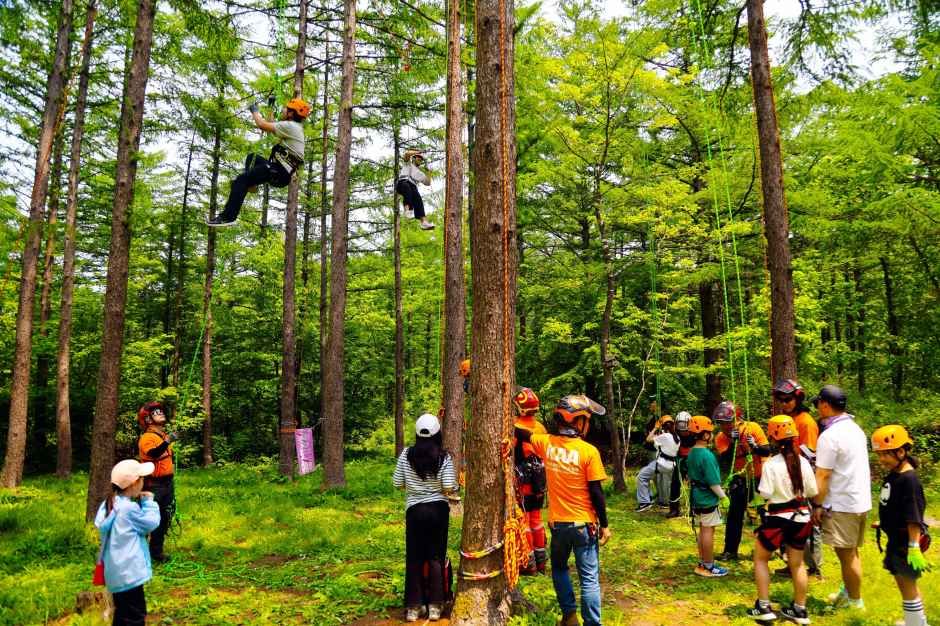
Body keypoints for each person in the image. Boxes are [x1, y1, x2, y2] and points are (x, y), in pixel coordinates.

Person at [515, 395, 610, 626]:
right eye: (586, 421)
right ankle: (592, 623)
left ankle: (569, 616)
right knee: (589, 579)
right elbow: (596, 493)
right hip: (584, 525)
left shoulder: (547, 444)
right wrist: (605, 525)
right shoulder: (588, 452)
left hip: (558, 526)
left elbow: (522, 433)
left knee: (559, 568)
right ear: (578, 422)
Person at [747, 415, 818, 625]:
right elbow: (812, 490)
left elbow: (766, 493)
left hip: (778, 519)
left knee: (760, 558)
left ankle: (764, 606)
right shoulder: (803, 462)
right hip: (802, 518)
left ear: (773, 438)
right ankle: (800, 610)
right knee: (797, 565)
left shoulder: (771, 464)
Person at [392, 413, 458, 622]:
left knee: (414, 558)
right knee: (436, 557)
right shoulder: (443, 457)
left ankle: (413, 607)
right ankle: (436, 607)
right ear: (438, 433)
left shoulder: (406, 454)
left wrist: (413, 487)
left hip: (414, 511)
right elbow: (449, 487)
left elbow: (397, 483)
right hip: (438, 511)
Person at [810, 384, 871, 611]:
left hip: (842, 503)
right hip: (859, 499)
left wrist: (817, 504)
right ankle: (848, 590)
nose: (817, 408)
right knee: (852, 551)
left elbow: (823, 474)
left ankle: (855, 602)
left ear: (825, 405)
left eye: (818, 404)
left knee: (847, 555)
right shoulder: (855, 429)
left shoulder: (830, 436)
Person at [207, 98, 309, 227]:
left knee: (241, 180)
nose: (283, 109)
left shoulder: (290, 127)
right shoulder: (292, 127)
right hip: (279, 171)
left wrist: (254, 111)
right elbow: (271, 124)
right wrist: (271, 107)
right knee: (252, 157)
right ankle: (252, 185)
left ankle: (228, 217)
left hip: (279, 172)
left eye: (286, 108)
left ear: (290, 114)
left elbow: (262, 124)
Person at [871, 425, 930, 626]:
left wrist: (914, 547)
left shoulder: (910, 480)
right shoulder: (896, 475)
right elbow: (896, 505)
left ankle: (916, 624)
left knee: (907, 585)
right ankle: (915, 621)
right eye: (879, 455)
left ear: (901, 451)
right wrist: (885, 521)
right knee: (904, 583)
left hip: (906, 543)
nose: (881, 460)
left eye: (885, 455)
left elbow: (914, 517)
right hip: (896, 539)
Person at [94, 459, 161, 626]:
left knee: (122, 614)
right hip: (130, 573)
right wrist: (149, 502)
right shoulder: (129, 509)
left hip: (116, 574)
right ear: (135, 483)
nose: (144, 482)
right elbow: (151, 523)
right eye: (142, 479)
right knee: (135, 616)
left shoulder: (108, 504)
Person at [772, 379, 823, 579]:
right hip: (787, 476)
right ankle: (792, 562)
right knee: (788, 521)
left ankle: (813, 567)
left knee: (807, 523)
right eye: (781, 400)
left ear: (798, 398)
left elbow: (809, 454)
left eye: (788, 399)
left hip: (803, 476)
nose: (785, 403)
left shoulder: (805, 422)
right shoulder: (786, 419)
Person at [713, 400, 771, 561]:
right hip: (741, 478)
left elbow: (767, 450)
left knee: (766, 514)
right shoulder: (721, 438)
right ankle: (730, 550)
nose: (725, 426)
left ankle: (775, 548)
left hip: (760, 477)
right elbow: (725, 460)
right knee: (734, 515)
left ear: (736, 419)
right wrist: (732, 443)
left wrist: (754, 446)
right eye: (721, 423)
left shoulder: (752, 428)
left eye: (728, 422)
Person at [685, 414, 730, 578]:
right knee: (707, 531)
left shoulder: (691, 453)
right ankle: (709, 565)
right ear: (704, 434)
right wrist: (723, 497)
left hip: (696, 497)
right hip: (707, 497)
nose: (711, 435)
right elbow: (713, 483)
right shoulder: (707, 455)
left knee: (703, 529)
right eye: (710, 432)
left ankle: (703, 562)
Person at [513, 387, 548, 575]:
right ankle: (541, 563)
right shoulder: (541, 428)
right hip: (539, 480)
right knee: (537, 520)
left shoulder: (514, 426)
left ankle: (528, 563)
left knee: (524, 520)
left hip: (523, 480)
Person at [136, 402, 176, 562]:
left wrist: (167, 440)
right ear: (147, 420)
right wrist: (167, 441)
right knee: (149, 519)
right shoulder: (147, 438)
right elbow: (153, 454)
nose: (160, 413)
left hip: (167, 483)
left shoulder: (160, 436)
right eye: (155, 412)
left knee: (164, 518)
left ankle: (157, 552)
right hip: (153, 485)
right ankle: (139, 553)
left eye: (160, 411)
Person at [635, 415, 679, 512]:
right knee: (652, 478)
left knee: (640, 476)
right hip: (670, 465)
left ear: (663, 426)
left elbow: (648, 439)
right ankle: (651, 498)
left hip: (661, 464)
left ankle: (645, 502)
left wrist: (655, 427)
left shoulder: (664, 436)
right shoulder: (676, 438)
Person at [396, 150, 434, 230]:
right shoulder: (408, 164)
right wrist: (419, 152)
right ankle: (408, 210)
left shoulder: (420, 173)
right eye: (418, 158)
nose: (420, 160)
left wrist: (429, 172)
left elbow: (428, 183)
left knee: (418, 198)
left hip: (412, 187)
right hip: (403, 183)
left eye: (421, 159)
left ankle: (423, 222)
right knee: (407, 188)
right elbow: (406, 154)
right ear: (413, 158)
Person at [667, 411, 694, 519]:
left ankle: (694, 508)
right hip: (679, 460)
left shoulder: (694, 433)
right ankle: (674, 509)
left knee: (695, 484)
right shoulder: (675, 433)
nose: (683, 431)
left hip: (692, 460)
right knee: (675, 483)